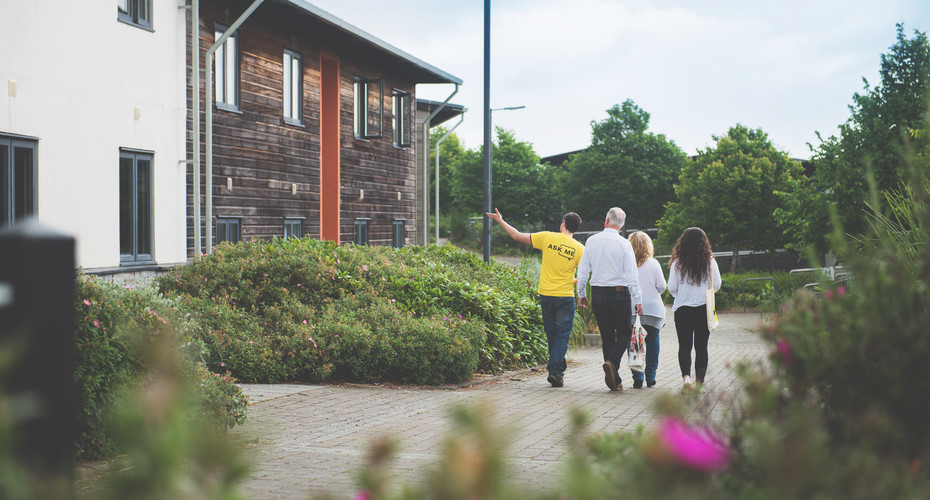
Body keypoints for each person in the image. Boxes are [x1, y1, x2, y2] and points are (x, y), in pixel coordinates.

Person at [486, 208, 584, 388]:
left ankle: (558, 369)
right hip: (564, 296)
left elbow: (516, 236)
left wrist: (500, 220)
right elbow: (586, 271)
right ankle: (555, 370)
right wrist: (575, 281)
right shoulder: (579, 249)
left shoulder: (547, 237)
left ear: (563, 223)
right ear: (576, 229)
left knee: (552, 335)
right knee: (562, 335)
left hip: (546, 295)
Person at [576, 207, 642, 391]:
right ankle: (612, 363)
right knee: (624, 333)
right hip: (619, 293)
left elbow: (582, 272)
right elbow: (631, 275)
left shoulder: (591, 241)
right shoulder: (624, 244)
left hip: (597, 293)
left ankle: (616, 379)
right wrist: (638, 299)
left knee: (607, 336)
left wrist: (581, 294)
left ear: (606, 220)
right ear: (621, 226)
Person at [667, 227, 721, 392]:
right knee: (701, 346)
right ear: (703, 242)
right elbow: (717, 285)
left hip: (682, 309)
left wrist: (683, 294)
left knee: (684, 346)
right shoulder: (710, 261)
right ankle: (699, 384)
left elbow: (671, 288)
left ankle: (686, 379)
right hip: (703, 309)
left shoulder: (677, 262)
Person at [628, 231, 666, 388]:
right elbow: (662, 286)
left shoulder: (627, 264)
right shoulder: (654, 263)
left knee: (635, 343)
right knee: (652, 340)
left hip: (633, 310)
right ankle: (651, 376)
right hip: (653, 310)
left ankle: (637, 377)